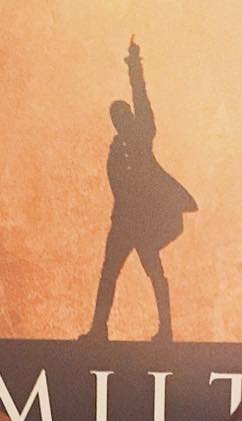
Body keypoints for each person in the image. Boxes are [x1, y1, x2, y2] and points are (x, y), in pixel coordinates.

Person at [81, 38, 197, 342]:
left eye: (124, 115)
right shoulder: (116, 150)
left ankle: (166, 329)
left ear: (131, 116)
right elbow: (116, 185)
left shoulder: (143, 134)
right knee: (108, 275)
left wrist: (134, 62)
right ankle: (99, 329)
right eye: (116, 118)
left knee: (154, 272)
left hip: (144, 220)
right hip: (124, 221)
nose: (121, 120)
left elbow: (140, 94)